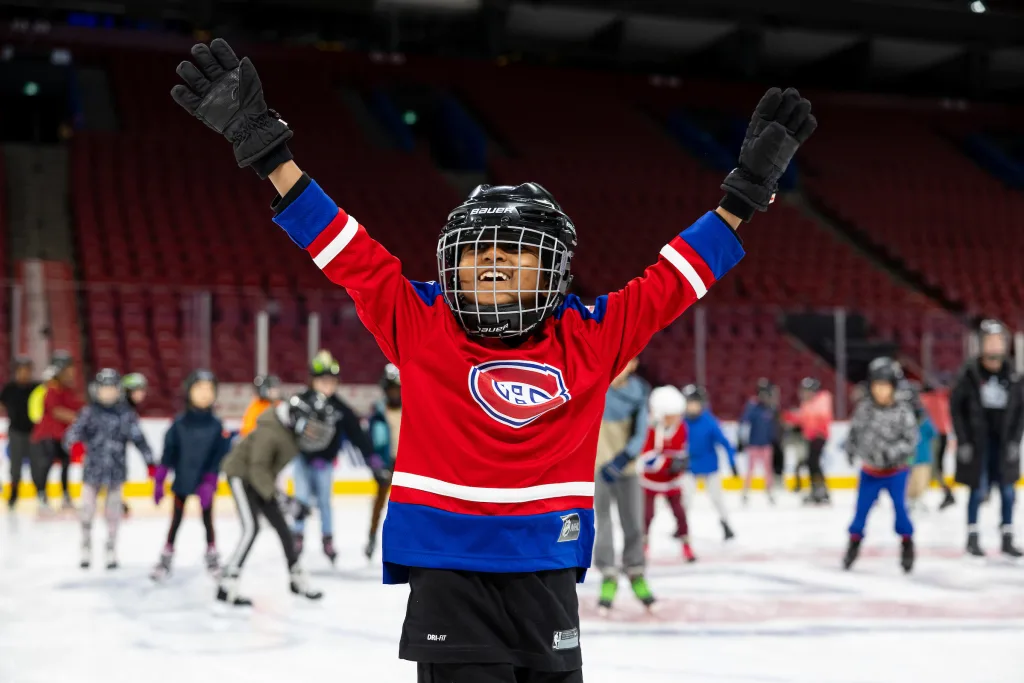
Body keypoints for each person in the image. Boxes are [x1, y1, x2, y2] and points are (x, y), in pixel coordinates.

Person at [170, 39, 813, 681]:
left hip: (547, 573)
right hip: (449, 576)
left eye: (515, 250)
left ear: (554, 267)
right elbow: (343, 245)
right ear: (452, 264)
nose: (495, 261)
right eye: (478, 251)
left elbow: (674, 278)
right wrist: (266, 149)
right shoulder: (418, 322)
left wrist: (747, 193)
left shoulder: (591, 335)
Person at [219, 392, 327, 605]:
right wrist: (284, 500)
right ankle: (227, 584)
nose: (313, 431)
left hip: (260, 479)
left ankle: (297, 580)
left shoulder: (288, 431)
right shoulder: (271, 431)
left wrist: (282, 501)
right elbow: (256, 468)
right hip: (241, 476)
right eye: (310, 425)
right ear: (297, 419)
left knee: (284, 528)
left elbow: (264, 471)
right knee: (251, 528)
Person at [64, 369, 154, 569]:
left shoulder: (126, 415)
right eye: (104, 389)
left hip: (116, 472)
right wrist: (74, 444)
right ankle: (85, 547)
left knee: (113, 513)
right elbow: (72, 433)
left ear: (119, 391)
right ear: (96, 390)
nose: (108, 393)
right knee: (86, 511)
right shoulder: (88, 413)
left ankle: (111, 548)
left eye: (112, 389)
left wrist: (150, 462)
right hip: (92, 472)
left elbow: (139, 439)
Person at [292, 349, 375, 564]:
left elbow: (357, 433)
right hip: (301, 459)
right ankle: (297, 537)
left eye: (331, 381)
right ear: (313, 381)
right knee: (300, 499)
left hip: (324, 463)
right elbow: (286, 427)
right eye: (322, 381)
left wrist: (371, 456)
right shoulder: (300, 401)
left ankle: (327, 538)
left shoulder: (340, 407)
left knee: (324, 502)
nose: (327, 385)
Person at [950, 320, 1023, 558]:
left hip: (1003, 442)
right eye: (990, 341)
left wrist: (1015, 440)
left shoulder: (1013, 374)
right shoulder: (970, 373)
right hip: (978, 441)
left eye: (999, 341)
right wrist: (963, 440)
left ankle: (1007, 536)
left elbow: (1021, 410)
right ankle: (972, 536)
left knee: (1008, 490)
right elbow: (956, 408)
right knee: (977, 489)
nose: (994, 346)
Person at [150, 370, 232, 580]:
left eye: (209, 389)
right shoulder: (179, 424)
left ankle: (212, 554)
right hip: (183, 480)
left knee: (208, 520)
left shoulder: (216, 426)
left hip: (204, 482)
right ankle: (166, 555)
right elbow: (169, 452)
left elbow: (219, 455)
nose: (204, 394)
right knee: (176, 520)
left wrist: (210, 480)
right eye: (199, 389)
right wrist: (159, 480)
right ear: (189, 392)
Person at [843, 358, 919, 572]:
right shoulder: (864, 409)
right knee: (860, 512)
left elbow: (911, 440)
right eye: (877, 385)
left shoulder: (903, 411)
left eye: (885, 386)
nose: (880, 391)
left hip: (896, 472)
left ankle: (907, 543)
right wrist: (851, 448)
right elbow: (854, 432)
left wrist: (892, 452)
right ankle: (853, 545)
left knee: (901, 511)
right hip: (870, 471)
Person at [593, 357, 653, 612]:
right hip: (597, 470)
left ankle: (636, 572)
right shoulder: (597, 384)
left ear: (635, 364)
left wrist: (624, 457)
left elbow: (642, 432)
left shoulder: (639, 392)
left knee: (634, 525)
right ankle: (608, 574)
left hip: (626, 470)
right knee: (603, 523)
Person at [638, 385, 694, 564]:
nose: (676, 419)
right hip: (650, 482)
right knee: (646, 516)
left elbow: (680, 451)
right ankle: (643, 545)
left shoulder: (682, 427)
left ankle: (686, 544)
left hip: (672, 482)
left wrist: (680, 463)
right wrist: (668, 462)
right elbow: (646, 460)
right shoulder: (650, 430)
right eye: (671, 415)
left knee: (680, 514)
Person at [682, 385, 737, 540]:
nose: (691, 406)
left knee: (717, 498)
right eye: (688, 403)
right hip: (688, 466)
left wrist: (732, 462)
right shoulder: (681, 421)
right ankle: (680, 527)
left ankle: (726, 524)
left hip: (709, 466)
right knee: (685, 499)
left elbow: (725, 443)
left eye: (694, 403)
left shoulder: (709, 422)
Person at [30, 351, 82, 511]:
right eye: (69, 368)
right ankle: (42, 494)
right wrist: (76, 418)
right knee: (47, 463)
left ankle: (65, 495)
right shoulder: (52, 389)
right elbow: (56, 410)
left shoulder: (68, 390)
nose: (72, 372)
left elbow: (77, 407)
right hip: (48, 433)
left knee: (66, 463)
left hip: (63, 434)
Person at [366, 363, 401, 560]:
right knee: (379, 503)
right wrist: (376, 465)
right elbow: (370, 441)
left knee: (404, 506)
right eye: (391, 389)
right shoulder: (378, 413)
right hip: (386, 463)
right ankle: (371, 537)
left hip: (406, 465)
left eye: (397, 388)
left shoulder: (412, 408)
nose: (395, 393)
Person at [785, 377, 834, 504]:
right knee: (813, 465)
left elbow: (820, 414)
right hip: (811, 437)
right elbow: (803, 418)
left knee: (814, 463)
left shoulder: (822, 399)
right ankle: (817, 490)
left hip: (819, 436)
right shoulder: (807, 403)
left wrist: (801, 414)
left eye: (807, 390)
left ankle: (820, 490)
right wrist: (791, 417)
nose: (804, 393)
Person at [1, 358, 39, 509]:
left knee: (37, 464)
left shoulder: (36, 388)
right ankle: (14, 492)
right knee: (15, 465)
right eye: (21, 370)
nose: (24, 373)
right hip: (16, 430)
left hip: (34, 432)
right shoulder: (9, 388)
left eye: (27, 370)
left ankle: (40, 492)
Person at [739, 378, 778, 504]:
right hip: (753, 445)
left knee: (768, 470)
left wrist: (774, 440)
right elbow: (744, 422)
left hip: (766, 444)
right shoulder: (752, 407)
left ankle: (770, 492)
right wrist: (741, 440)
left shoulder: (770, 408)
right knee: (750, 470)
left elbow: (773, 426)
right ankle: (745, 492)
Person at [920, 381, 955, 510]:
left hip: (934, 437)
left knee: (934, 467)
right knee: (937, 466)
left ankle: (947, 493)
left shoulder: (926, 400)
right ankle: (946, 493)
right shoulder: (941, 398)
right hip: (943, 435)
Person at [904, 382, 937, 513]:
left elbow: (931, 433)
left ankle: (915, 500)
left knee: (919, 480)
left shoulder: (923, 415)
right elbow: (932, 433)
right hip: (911, 456)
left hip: (921, 455)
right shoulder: (904, 415)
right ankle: (911, 501)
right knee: (912, 481)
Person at [120, 372, 149, 517]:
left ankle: (117, 502)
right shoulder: (124, 410)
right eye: (139, 390)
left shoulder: (125, 408)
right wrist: (148, 458)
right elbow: (138, 438)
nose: (142, 394)